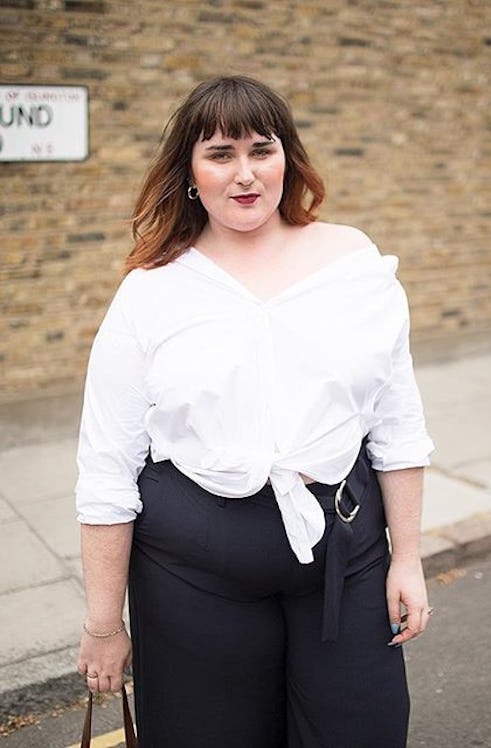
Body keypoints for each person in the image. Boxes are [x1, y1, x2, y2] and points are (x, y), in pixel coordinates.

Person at [74, 74, 434, 747]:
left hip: (344, 555)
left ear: (287, 159)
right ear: (190, 172)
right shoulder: (151, 293)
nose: (245, 174)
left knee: (364, 730)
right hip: (194, 573)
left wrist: (407, 557)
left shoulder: (352, 263)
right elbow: (106, 466)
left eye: (261, 150)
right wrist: (103, 624)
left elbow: (397, 423)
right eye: (219, 154)